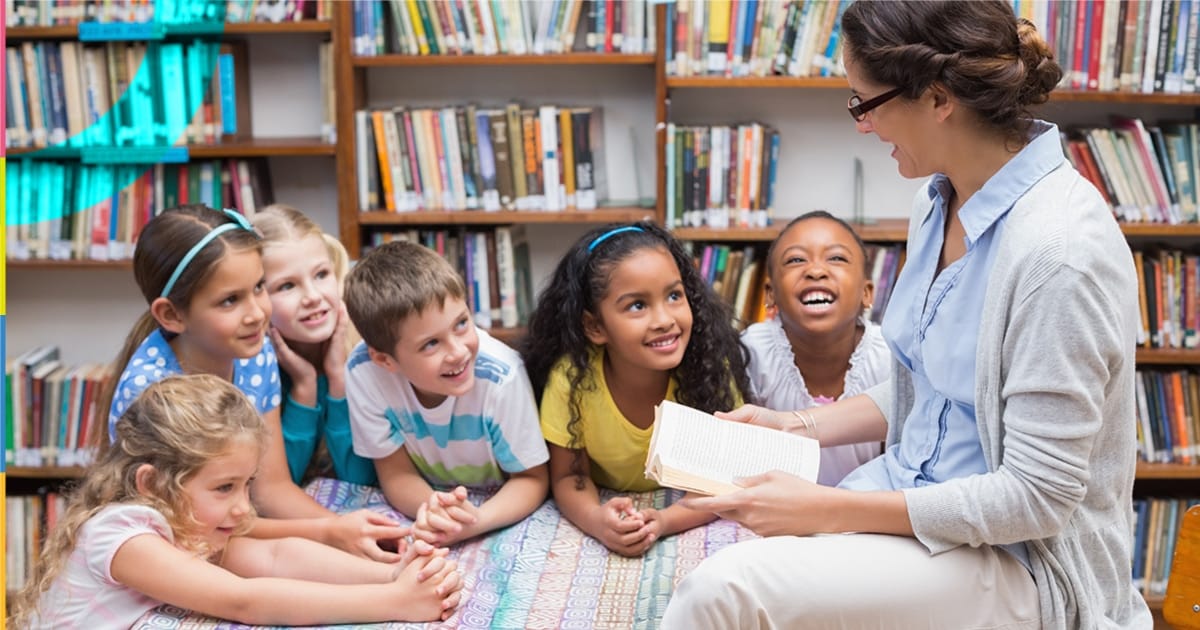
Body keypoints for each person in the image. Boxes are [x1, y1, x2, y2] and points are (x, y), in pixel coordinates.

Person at [663, 2, 1151, 628]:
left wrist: (825, 511)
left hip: (1021, 561)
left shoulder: (1059, 255)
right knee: (748, 552)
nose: (861, 125)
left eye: (864, 103)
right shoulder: (935, 200)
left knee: (721, 592)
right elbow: (934, 389)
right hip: (914, 497)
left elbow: (1036, 500)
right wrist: (795, 427)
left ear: (938, 98)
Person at [11, 375, 462, 629]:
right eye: (224, 488)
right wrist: (396, 604)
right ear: (150, 483)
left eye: (247, 484)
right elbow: (245, 600)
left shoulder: (184, 520)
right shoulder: (122, 536)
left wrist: (389, 576)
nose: (245, 507)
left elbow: (274, 555)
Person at [100, 204, 407, 562]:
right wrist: (327, 530)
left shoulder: (254, 353)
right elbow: (192, 528)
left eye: (259, 287)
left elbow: (271, 488)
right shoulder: (150, 395)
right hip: (174, 544)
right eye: (230, 300)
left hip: (230, 529)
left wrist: (349, 531)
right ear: (172, 314)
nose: (258, 313)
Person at [521, 223, 750, 557]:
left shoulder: (710, 368)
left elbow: (723, 479)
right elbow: (570, 478)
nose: (664, 319)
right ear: (595, 326)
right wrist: (598, 520)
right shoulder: (571, 380)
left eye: (674, 296)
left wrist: (663, 521)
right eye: (637, 306)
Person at [343, 241, 549, 547]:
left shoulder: (502, 376)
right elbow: (395, 475)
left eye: (462, 324)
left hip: (496, 500)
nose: (458, 351)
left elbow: (532, 479)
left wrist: (474, 521)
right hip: (435, 496)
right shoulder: (364, 373)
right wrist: (435, 511)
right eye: (431, 344)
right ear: (385, 360)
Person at [743, 210, 890, 486]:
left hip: (866, 514)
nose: (816, 271)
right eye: (796, 260)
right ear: (770, 294)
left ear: (866, 293)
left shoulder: (888, 357)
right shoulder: (753, 354)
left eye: (836, 258)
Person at [252, 203, 377, 487]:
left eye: (321, 275)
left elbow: (361, 480)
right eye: (287, 286)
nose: (312, 296)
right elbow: (278, 488)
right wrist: (304, 389)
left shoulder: (366, 348)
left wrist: (338, 379)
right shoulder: (255, 365)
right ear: (257, 296)